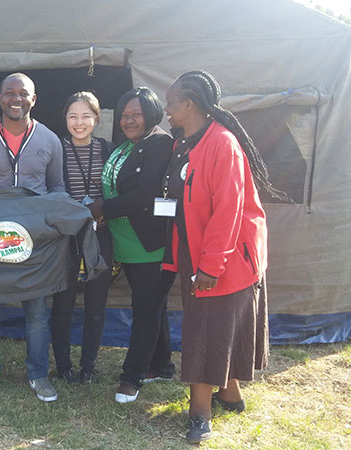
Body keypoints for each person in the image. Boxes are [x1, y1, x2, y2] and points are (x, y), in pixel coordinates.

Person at [163, 70, 274, 444]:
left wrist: (211, 265)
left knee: (206, 331)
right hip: (198, 251)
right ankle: (230, 394)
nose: (166, 109)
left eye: (170, 102)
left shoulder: (221, 144)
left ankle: (200, 414)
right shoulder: (187, 142)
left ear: (189, 104)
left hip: (224, 258)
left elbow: (228, 209)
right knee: (219, 326)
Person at [0, 73, 64, 402]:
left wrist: (51, 225)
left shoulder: (50, 140)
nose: (16, 99)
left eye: (24, 94)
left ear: (33, 100)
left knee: (37, 313)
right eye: (10, 93)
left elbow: (57, 189)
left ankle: (38, 374)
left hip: (35, 242)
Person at [87, 87, 176, 403]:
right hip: (126, 239)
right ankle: (162, 365)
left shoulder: (160, 144)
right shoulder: (126, 145)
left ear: (151, 113)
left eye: (136, 114)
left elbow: (146, 195)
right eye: (124, 115)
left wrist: (102, 208)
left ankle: (132, 377)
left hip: (148, 243)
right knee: (154, 305)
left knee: (146, 309)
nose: (128, 120)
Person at [50, 92, 114, 384]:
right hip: (66, 236)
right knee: (62, 303)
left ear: (96, 119)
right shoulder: (56, 149)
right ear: (65, 119)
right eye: (73, 116)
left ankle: (89, 366)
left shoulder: (108, 150)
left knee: (96, 305)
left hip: (100, 234)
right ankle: (63, 366)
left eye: (86, 116)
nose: (79, 123)